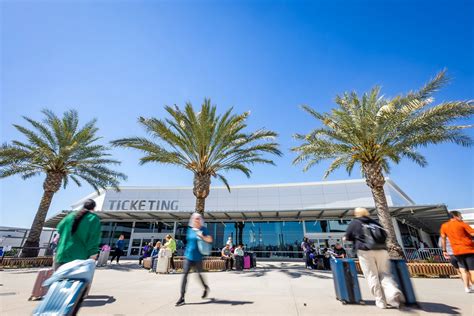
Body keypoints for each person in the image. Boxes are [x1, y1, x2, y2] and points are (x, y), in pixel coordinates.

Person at [344, 207, 402, 309]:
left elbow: (347, 237)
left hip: (365, 251)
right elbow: (385, 235)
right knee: (384, 273)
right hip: (382, 250)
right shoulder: (375, 222)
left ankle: (380, 301)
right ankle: (392, 291)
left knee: (372, 275)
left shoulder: (355, 222)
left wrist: (346, 239)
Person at [176, 213, 213, 306]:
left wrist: (202, 236)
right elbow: (189, 242)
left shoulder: (203, 229)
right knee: (184, 276)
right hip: (188, 256)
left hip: (198, 257)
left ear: (200, 220)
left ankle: (205, 288)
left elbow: (210, 240)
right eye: (195, 218)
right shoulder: (190, 230)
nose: (197, 220)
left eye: (198, 218)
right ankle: (182, 297)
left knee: (199, 275)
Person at [54, 199, 101, 271]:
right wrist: (93, 255)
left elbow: (59, 232)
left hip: (61, 256)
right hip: (78, 259)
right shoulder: (93, 218)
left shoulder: (69, 216)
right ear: (93, 208)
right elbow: (93, 240)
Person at [440, 210, 474, 293]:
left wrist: (444, 250)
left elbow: (443, 239)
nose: (461, 217)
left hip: (456, 252)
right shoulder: (462, 224)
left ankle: (467, 287)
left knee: (463, 270)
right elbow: (473, 233)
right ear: (455, 216)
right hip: (469, 249)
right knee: (472, 270)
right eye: (460, 215)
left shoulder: (444, 226)